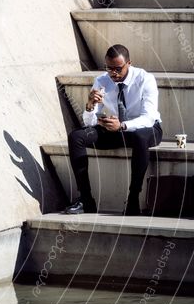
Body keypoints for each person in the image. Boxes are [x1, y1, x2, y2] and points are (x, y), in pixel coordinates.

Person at [64, 44, 162, 216]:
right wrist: (90, 106)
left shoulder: (145, 79)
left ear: (129, 63)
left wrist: (123, 125)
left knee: (139, 136)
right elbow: (89, 122)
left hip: (146, 129)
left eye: (118, 69)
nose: (113, 73)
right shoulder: (102, 81)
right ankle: (86, 200)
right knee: (76, 137)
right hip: (116, 130)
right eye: (109, 69)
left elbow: (149, 118)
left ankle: (133, 199)